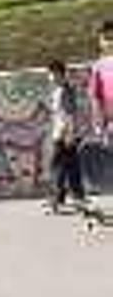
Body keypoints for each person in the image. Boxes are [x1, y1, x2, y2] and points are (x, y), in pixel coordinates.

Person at [47, 59, 86, 210]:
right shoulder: (57, 91)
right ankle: (77, 197)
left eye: (51, 73)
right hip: (61, 133)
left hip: (64, 134)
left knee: (57, 166)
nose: (49, 77)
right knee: (70, 167)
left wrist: (70, 133)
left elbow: (70, 113)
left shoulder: (65, 90)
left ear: (58, 73)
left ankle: (58, 199)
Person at [87, 21, 113, 138]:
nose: (110, 42)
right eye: (106, 39)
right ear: (100, 42)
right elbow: (95, 97)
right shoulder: (98, 66)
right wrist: (98, 121)